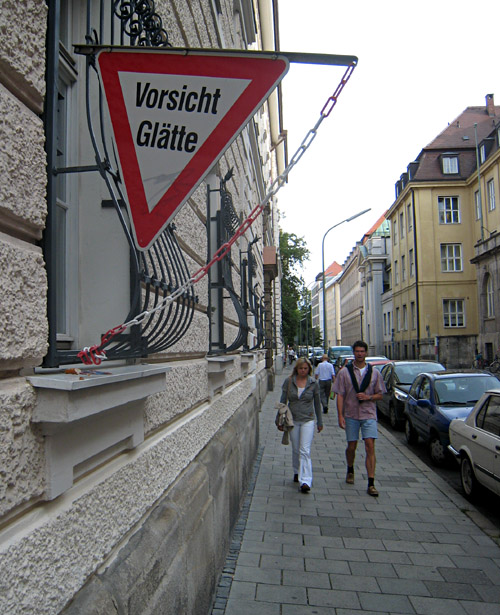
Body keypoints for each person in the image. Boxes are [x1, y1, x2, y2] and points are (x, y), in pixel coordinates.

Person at [332, 340, 386, 497]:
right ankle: (350, 468)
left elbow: (380, 394)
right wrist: (340, 415)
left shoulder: (374, 373)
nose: (360, 354)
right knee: (352, 446)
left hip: (369, 413)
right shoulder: (345, 372)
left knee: (370, 445)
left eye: (362, 351)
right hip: (351, 414)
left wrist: (368, 397)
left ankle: (371, 482)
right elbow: (340, 395)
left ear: (366, 353)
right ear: (353, 353)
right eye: (357, 351)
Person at [279, 357, 323, 493]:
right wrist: (280, 420)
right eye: (300, 368)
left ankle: (306, 480)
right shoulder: (289, 382)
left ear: (309, 369)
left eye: (305, 369)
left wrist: (320, 422)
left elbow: (317, 403)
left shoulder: (313, 383)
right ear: (296, 369)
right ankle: (297, 471)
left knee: (305, 450)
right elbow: (282, 402)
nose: (303, 371)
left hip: (308, 419)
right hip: (292, 419)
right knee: (296, 449)